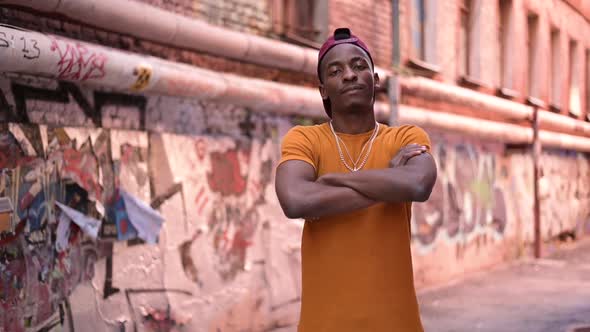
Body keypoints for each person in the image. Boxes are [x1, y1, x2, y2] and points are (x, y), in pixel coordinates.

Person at [274, 28, 437, 332]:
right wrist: (390, 181)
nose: (349, 75)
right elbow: (296, 200)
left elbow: (418, 185)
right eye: (336, 71)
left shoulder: (405, 138)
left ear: (375, 80)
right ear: (323, 89)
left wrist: (330, 181)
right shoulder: (305, 139)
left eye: (359, 66)